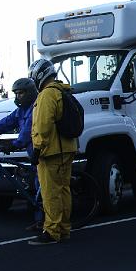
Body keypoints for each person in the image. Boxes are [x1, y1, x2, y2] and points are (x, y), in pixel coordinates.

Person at [0, 78, 42, 231]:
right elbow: (5, 123)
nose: (18, 96)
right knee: (34, 185)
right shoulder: (20, 111)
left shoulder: (35, 109)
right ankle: (40, 216)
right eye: (16, 93)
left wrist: (13, 145)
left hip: (42, 152)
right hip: (33, 153)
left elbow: (27, 133)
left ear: (30, 93)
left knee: (41, 186)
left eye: (21, 93)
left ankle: (42, 221)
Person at [28, 58, 78, 245]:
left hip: (52, 152)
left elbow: (43, 125)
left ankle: (51, 231)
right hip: (67, 149)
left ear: (40, 76)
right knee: (64, 190)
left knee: (50, 193)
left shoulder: (47, 95)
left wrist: (37, 149)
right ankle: (64, 228)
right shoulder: (63, 91)